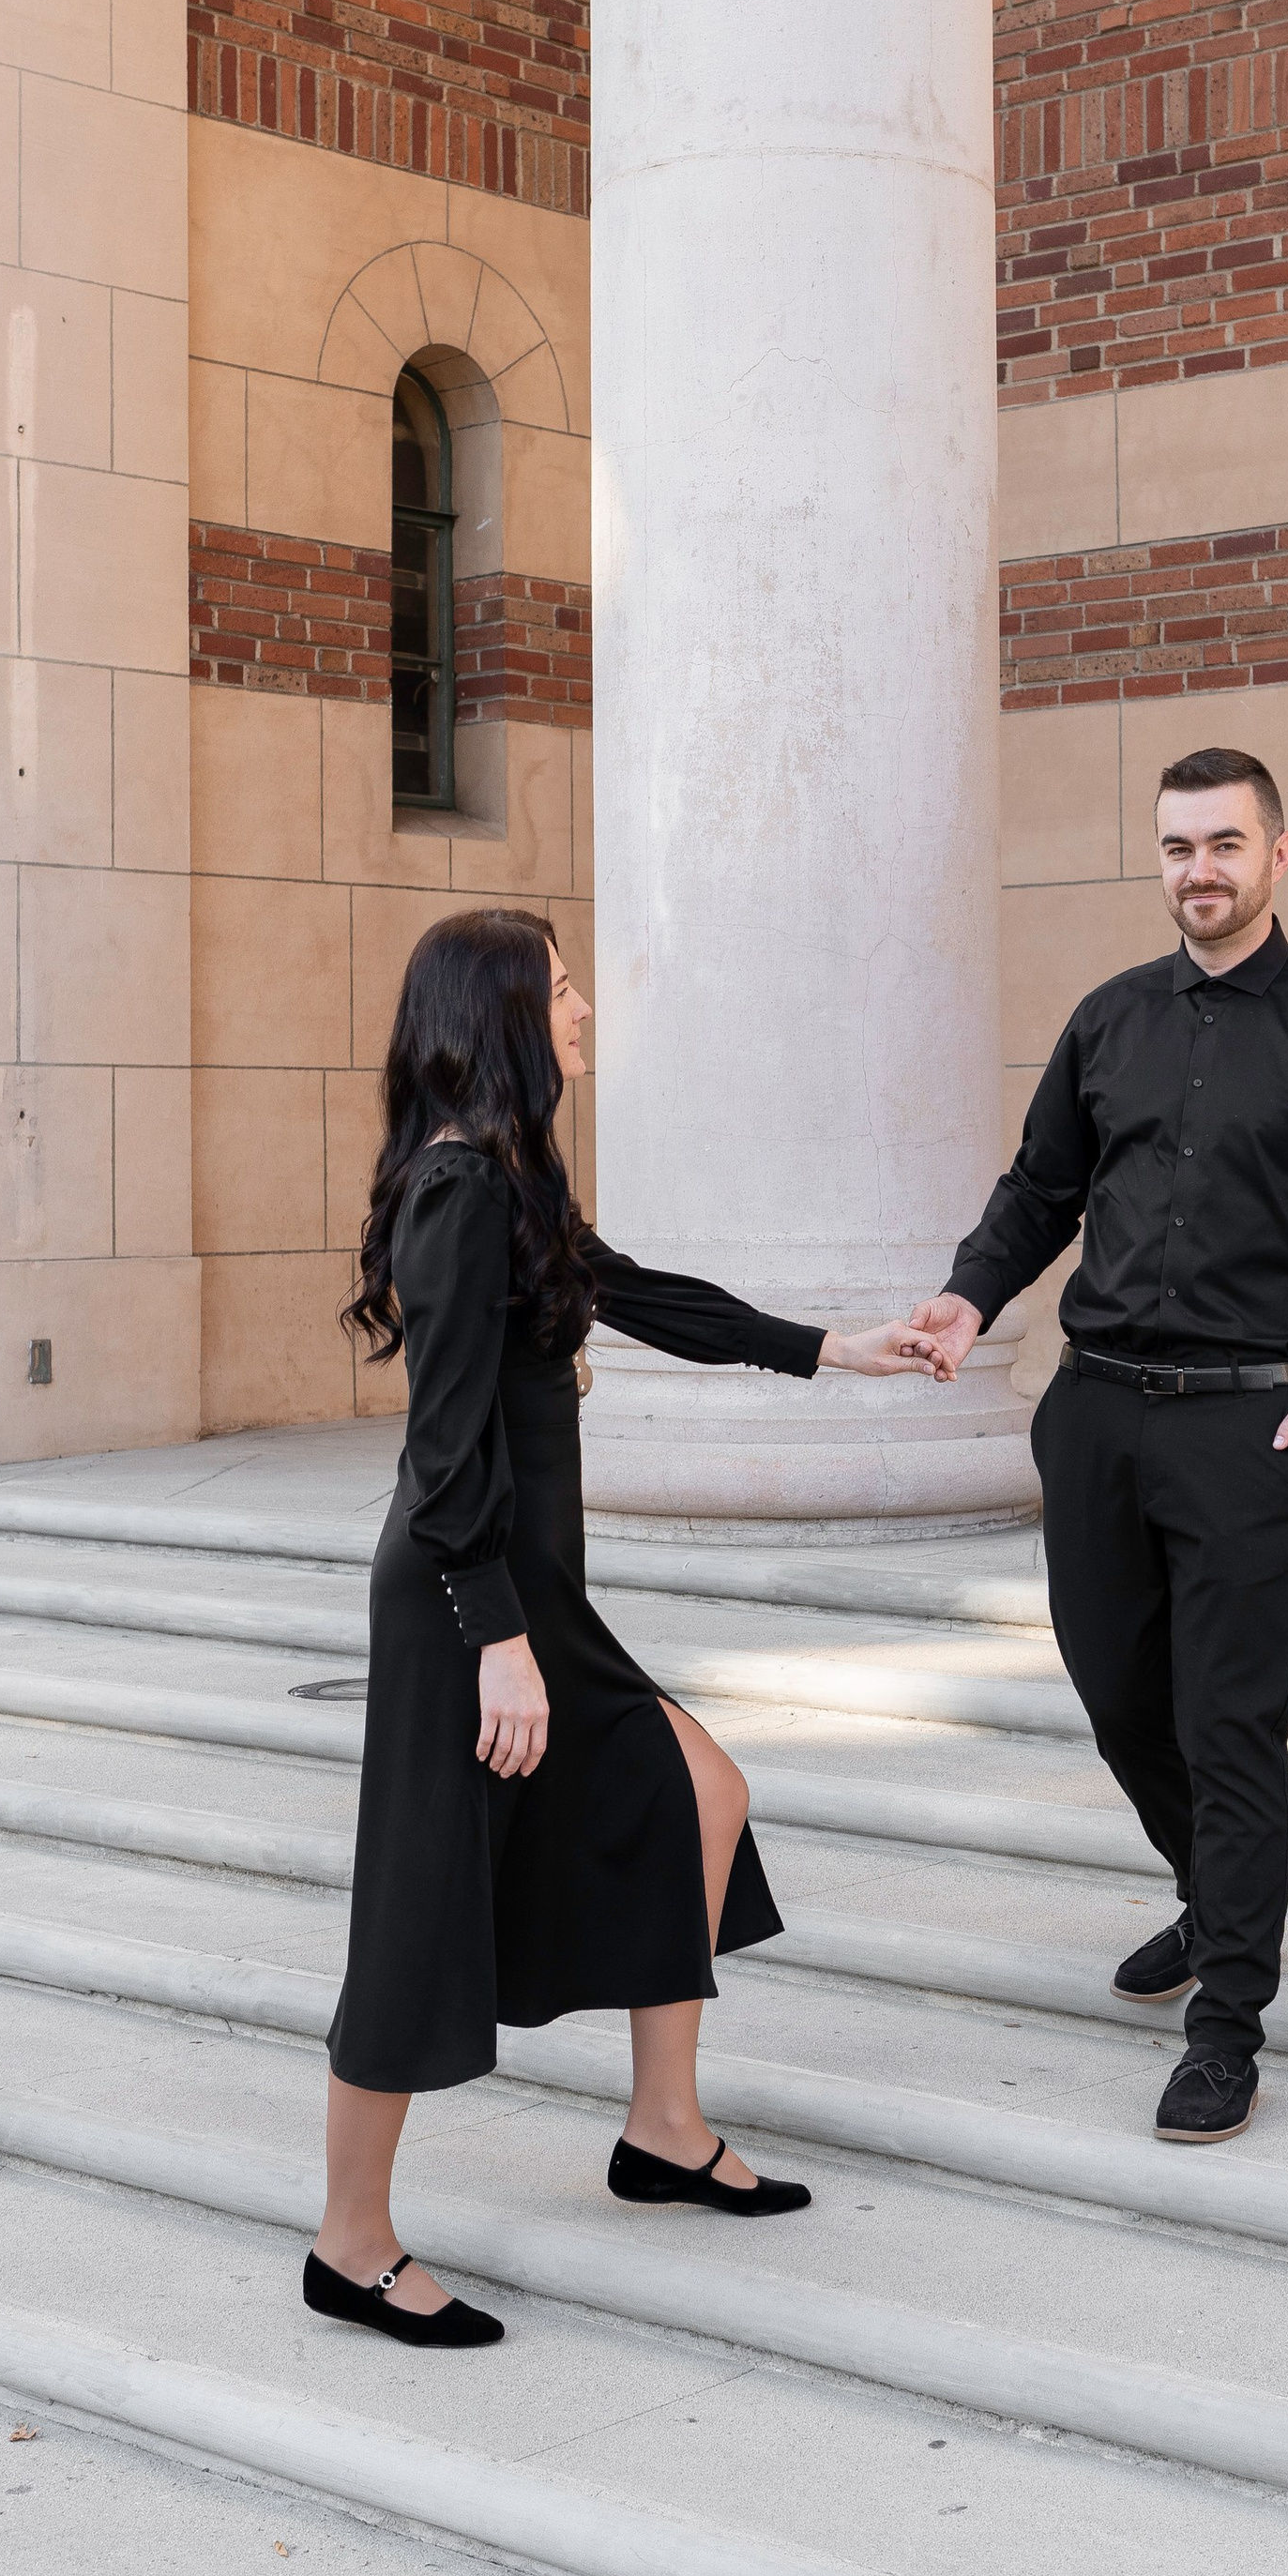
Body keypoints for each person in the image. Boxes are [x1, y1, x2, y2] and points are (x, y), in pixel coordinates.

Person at [307, 904, 936, 2348]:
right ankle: (349, 2245)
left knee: (698, 1789)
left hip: (530, 1603)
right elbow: (445, 1446)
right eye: (564, 986)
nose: (585, 1007)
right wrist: (499, 1640)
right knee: (415, 1916)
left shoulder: (516, 1180)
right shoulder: (458, 1192)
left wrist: (836, 1347)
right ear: (505, 1014)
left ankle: (663, 2128)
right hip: (470, 1609)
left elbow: (643, 1295)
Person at [910, 747, 1288, 2147]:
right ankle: (1217, 1902)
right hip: (1094, 1409)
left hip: (1245, 1421)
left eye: (1223, 844)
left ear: (1282, 852)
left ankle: (1229, 2025)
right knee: (1114, 1695)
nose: (1197, 871)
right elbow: (1041, 1186)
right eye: (1175, 848)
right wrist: (974, 1290)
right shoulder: (1108, 1021)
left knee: (1228, 1722)